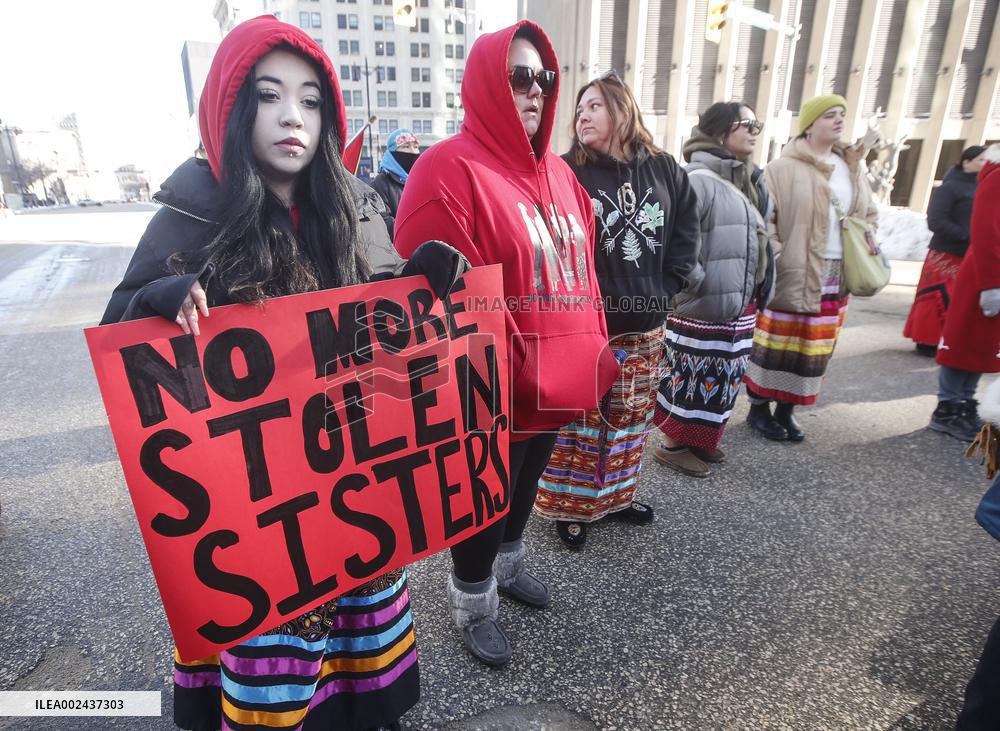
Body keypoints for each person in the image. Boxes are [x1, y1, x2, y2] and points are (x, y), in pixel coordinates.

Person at [101, 16, 466, 730]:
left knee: (363, 685)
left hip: (352, 484)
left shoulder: (355, 201)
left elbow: (385, 297)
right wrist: (159, 300)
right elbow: (121, 342)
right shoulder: (190, 213)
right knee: (278, 688)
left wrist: (418, 278)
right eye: (269, 96)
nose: (292, 117)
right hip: (258, 508)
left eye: (309, 98)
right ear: (235, 110)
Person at [394, 21, 618, 666]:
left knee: (526, 486)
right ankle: (472, 599)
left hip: (560, 373)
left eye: (544, 80)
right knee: (485, 497)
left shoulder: (560, 172)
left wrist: (594, 343)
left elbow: (585, 269)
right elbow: (433, 298)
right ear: (486, 84)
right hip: (492, 384)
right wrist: (511, 364)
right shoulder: (447, 168)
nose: (535, 92)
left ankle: (511, 565)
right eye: (517, 77)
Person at [532, 71, 699, 546]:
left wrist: (669, 286)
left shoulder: (665, 168)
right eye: (579, 109)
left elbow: (687, 229)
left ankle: (616, 498)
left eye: (594, 106)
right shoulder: (562, 169)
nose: (582, 116)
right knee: (581, 424)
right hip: (585, 328)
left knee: (629, 419)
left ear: (622, 110)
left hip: (646, 326)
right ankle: (570, 508)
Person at [743, 95, 877, 442]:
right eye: (829, 115)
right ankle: (759, 409)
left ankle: (788, 410)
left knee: (816, 347)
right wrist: (777, 255)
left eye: (842, 115)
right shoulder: (782, 168)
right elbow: (764, 218)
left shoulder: (851, 166)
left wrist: (865, 242)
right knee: (777, 342)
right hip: (794, 268)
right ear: (809, 124)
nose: (838, 121)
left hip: (835, 272)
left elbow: (868, 213)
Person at [651, 102, 775, 477]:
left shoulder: (750, 178)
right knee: (690, 374)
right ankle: (673, 444)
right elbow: (673, 240)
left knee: (721, 374)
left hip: (736, 303)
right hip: (700, 305)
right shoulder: (697, 178)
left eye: (758, 122)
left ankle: (700, 440)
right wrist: (694, 284)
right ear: (720, 130)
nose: (755, 129)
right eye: (746, 122)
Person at [929, 143, 1000, 441]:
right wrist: (991, 282)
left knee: (983, 344)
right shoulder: (996, 177)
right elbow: (986, 230)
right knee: (962, 340)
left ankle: (965, 401)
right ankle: (948, 406)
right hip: (985, 272)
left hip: (991, 272)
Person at [904, 145, 987, 356]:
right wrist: (965, 235)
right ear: (966, 162)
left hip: (972, 256)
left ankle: (954, 341)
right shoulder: (949, 188)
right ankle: (927, 341)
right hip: (945, 254)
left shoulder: (987, 187)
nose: (986, 164)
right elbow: (936, 220)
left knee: (964, 301)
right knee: (936, 298)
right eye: (981, 160)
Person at [371, 128, 420, 218]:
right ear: (392, 153)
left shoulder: (423, 180)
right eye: (406, 146)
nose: (413, 151)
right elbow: (383, 220)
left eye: (416, 147)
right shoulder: (381, 183)